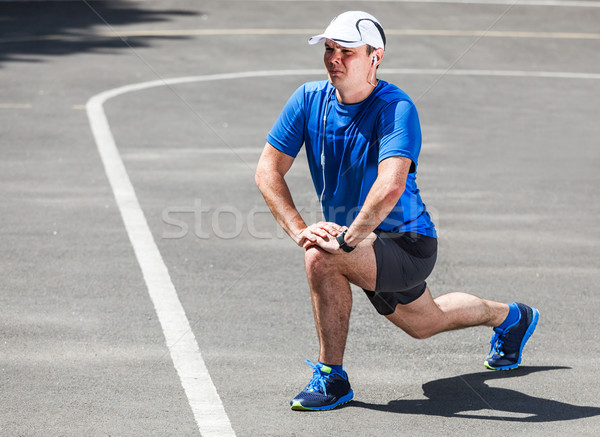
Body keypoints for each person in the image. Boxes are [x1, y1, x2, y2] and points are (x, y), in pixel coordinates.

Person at [254, 10, 539, 411]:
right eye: (330, 49)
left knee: (322, 257)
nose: (334, 58)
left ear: (376, 56)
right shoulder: (307, 100)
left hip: (408, 243)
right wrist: (299, 229)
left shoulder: (395, 108)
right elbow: (268, 170)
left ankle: (331, 378)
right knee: (427, 323)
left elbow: (390, 186)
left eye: (347, 51)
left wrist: (345, 241)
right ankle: (512, 317)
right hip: (363, 241)